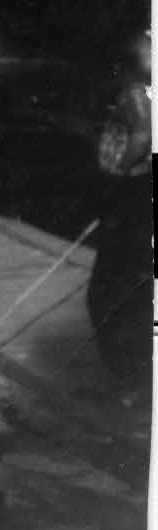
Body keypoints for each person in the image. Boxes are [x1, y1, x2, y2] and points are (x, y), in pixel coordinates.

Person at [88, 28, 153, 407]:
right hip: (132, 195)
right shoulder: (140, 91)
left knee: (106, 295)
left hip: (128, 194)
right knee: (128, 291)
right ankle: (132, 383)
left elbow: (143, 137)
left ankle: (129, 384)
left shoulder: (133, 94)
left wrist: (121, 175)